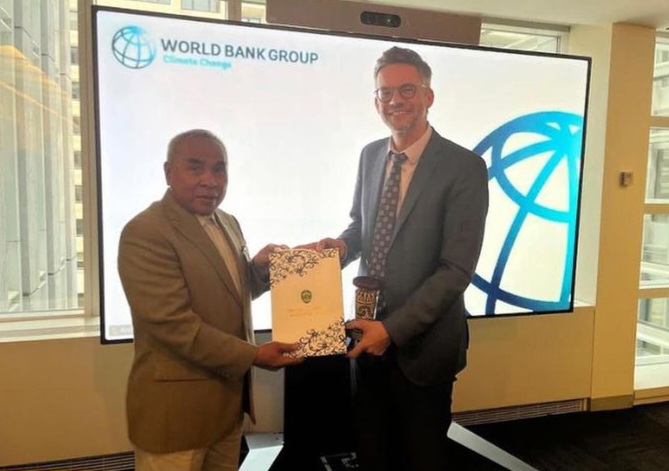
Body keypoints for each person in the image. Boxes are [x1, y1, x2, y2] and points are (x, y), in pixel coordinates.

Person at [309, 47, 489, 470]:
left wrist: (391, 330)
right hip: (366, 338)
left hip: (424, 347)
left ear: (428, 96)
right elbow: (362, 226)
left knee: (422, 457)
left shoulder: (464, 167)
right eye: (385, 92)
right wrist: (340, 248)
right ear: (376, 102)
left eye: (407, 90)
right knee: (373, 452)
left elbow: (456, 270)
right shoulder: (371, 155)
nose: (395, 100)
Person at [117, 129, 302, 471]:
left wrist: (258, 271)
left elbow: (228, 292)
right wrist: (254, 355)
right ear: (168, 172)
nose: (210, 180)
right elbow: (174, 326)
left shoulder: (227, 222)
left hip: (226, 410)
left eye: (219, 169)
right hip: (176, 417)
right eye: (195, 167)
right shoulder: (146, 232)